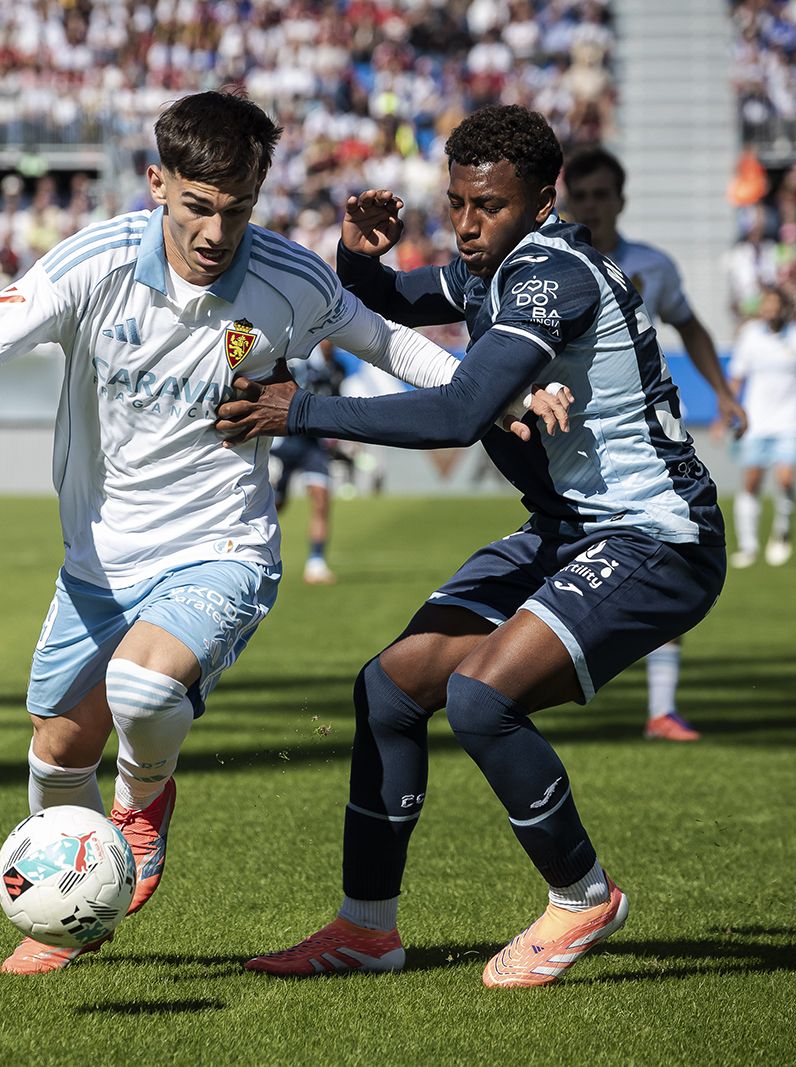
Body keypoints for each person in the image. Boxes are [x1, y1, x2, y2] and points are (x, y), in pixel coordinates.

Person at [0, 90, 566, 977]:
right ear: (158, 183)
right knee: (56, 750)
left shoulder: (286, 278)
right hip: (98, 560)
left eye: (236, 210)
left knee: (142, 688)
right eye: (197, 206)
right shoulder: (97, 262)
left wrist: (502, 388)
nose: (215, 232)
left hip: (221, 545)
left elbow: (392, 344)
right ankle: (68, 914)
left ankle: (143, 804)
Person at [218, 104, 727, 988]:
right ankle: (366, 930)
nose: (465, 223)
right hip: (566, 531)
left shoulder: (552, 276)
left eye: (487, 206)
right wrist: (357, 258)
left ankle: (583, 896)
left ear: (541, 202)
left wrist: (300, 410)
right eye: (456, 202)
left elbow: (459, 412)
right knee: (390, 688)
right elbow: (391, 299)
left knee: (482, 697)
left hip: (655, 537)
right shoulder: (496, 269)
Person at [563, 147, 749, 743]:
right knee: (556, 569)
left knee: (668, 555)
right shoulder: (549, 265)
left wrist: (723, 392)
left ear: (621, 200)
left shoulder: (652, 267)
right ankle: (507, 690)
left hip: (639, 446)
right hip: (564, 447)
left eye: (600, 195)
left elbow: (689, 324)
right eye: (580, 196)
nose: (590, 205)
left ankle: (661, 710)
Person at [727, 287, 796, 568]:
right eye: (766, 304)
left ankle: (782, 532)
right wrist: (728, 414)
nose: (770, 310)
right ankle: (748, 546)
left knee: (786, 480)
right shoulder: (749, 335)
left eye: (775, 305)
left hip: (789, 423)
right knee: (751, 482)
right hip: (756, 423)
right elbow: (737, 378)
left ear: (784, 308)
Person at [271, 343, 345, 584]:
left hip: (312, 444)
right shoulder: (299, 361)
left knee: (321, 498)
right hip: (284, 441)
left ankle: (316, 563)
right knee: (273, 505)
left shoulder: (337, 367)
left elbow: (336, 399)